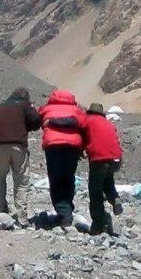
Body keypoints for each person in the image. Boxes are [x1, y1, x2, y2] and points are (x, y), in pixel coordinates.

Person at [0, 87, 41, 227]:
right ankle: (22, 219)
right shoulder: (24, 106)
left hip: (1, 148)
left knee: (0, 178)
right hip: (19, 147)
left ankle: (1, 212)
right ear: (25, 97)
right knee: (21, 182)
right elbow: (36, 120)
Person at [37, 90, 87, 227]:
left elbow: (37, 119)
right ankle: (67, 209)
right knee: (69, 177)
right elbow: (85, 125)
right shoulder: (77, 110)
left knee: (56, 179)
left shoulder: (46, 109)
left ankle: (63, 213)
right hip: (73, 147)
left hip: (53, 147)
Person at [82, 103, 123, 235]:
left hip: (99, 159)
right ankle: (115, 198)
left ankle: (98, 225)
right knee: (107, 181)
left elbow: (81, 136)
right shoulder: (108, 124)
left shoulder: (87, 120)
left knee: (95, 191)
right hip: (116, 158)